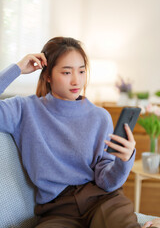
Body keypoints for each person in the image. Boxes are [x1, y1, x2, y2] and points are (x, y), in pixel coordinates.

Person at [0, 37, 159, 228]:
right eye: (67, 72)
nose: (77, 80)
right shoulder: (23, 109)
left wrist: (123, 161)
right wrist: (17, 69)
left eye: (81, 71)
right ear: (47, 75)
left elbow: (107, 181)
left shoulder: (100, 117)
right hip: (57, 211)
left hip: (102, 201)